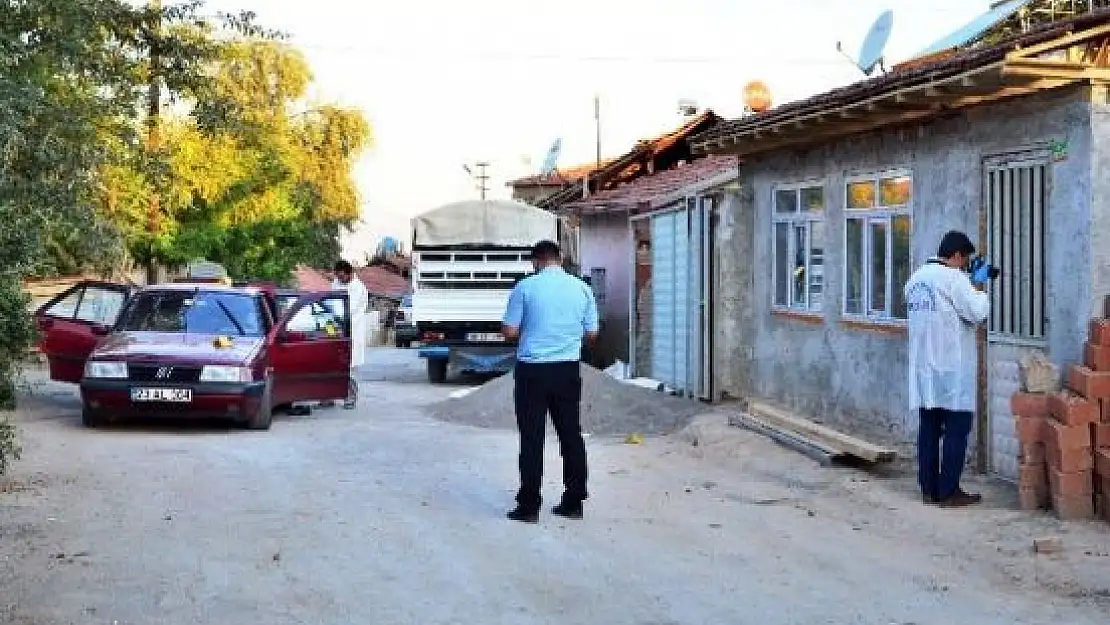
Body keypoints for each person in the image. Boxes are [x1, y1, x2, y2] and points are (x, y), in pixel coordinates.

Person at [501, 240, 599, 523]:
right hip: (567, 370)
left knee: (532, 438)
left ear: (535, 262)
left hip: (533, 371)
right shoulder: (582, 288)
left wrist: (532, 333)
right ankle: (573, 502)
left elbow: (509, 331)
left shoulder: (526, 287)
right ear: (561, 258)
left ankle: (529, 507)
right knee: (571, 435)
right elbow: (592, 335)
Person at [903, 230, 991, 508]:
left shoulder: (915, 280)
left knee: (928, 429)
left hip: (925, 370)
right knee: (956, 430)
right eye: (965, 261)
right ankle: (949, 491)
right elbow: (977, 313)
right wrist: (977, 284)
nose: (965, 266)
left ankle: (929, 487)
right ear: (956, 256)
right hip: (952, 370)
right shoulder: (954, 279)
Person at [332, 260, 368, 409]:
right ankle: (327, 397)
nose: (339, 279)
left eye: (342, 276)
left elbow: (348, 309)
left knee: (349, 368)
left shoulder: (358, 288)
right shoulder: (336, 283)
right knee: (333, 366)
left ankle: (350, 397)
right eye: (337, 276)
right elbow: (331, 300)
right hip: (336, 330)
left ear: (349, 273)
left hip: (352, 330)